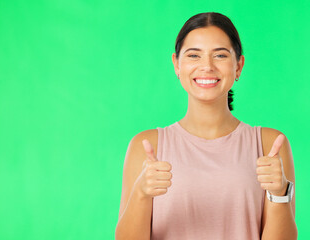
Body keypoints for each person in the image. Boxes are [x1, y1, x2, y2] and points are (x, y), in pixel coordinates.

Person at [115, 12, 297, 240]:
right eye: (194, 55)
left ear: (238, 65)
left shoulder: (270, 145)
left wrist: (279, 193)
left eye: (220, 55)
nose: (207, 66)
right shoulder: (146, 146)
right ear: (176, 64)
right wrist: (141, 194)